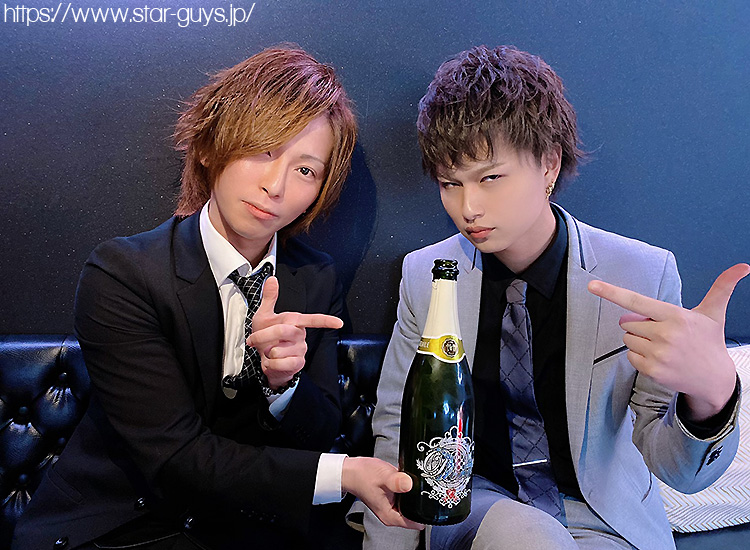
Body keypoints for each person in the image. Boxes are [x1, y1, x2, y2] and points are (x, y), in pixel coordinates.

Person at [12, 45, 419, 550]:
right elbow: (175, 456)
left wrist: (283, 384)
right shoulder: (123, 273)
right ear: (209, 147)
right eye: (263, 151)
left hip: (249, 528)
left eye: (305, 170)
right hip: (125, 525)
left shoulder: (314, 278)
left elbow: (316, 434)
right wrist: (346, 474)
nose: (275, 186)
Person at [361, 45, 748, 550]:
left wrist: (712, 397)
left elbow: (675, 468)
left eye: (490, 178)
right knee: (527, 535)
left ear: (548, 164)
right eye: (450, 184)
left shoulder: (640, 275)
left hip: (601, 520)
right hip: (473, 508)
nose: (467, 207)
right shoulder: (428, 275)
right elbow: (397, 428)